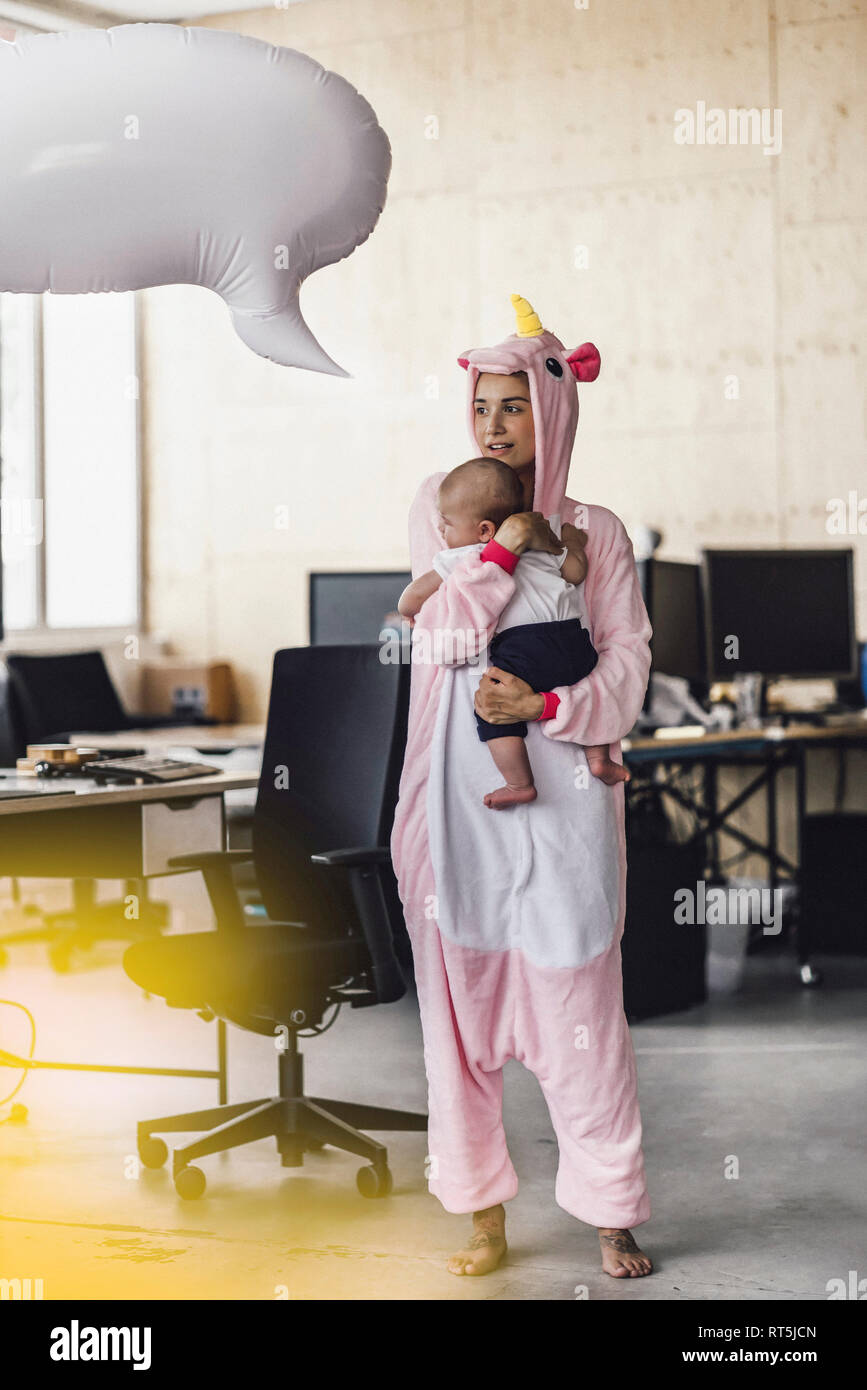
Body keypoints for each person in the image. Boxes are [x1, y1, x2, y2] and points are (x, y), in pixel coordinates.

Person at [390, 295, 654, 1279]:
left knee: (583, 1011)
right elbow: (444, 638)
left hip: (567, 797)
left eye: (513, 408)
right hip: (463, 800)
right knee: (460, 1011)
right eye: (483, 408)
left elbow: (625, 668)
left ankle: (612, 1209)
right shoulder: (445, 501)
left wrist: (549, 704)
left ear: (553, 413)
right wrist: (501, 549)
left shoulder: (598, 532)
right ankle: (483, 1212)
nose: (496, 427)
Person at [397, 456, 629, 808]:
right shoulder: (540, 546)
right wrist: (574, 545)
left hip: (525, 649)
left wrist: (411, 611)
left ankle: (519, 783)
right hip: (574, 640)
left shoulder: (464, 556)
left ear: (485, 531)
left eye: (446, 524)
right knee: (585, 686)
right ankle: (598, 758)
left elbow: (410, 597)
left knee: (492, 709)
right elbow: (576, 572)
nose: (441, 532)